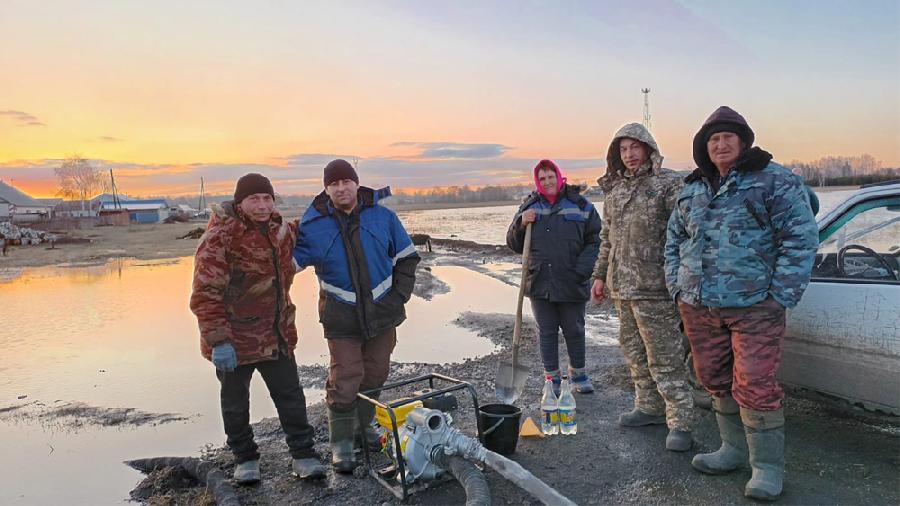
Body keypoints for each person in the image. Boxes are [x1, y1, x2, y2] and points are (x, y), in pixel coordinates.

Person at [665, 106, 818, 501]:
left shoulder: (774, 180)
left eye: (728, 136)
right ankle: (731, 451)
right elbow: (673, 241)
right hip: (699, 306)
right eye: (713, 138)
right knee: (714, 380)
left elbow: (801, 239)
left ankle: (767, 468)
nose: (721, 143)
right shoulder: (693, 188)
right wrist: (677, 288)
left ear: (744, 140)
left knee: (755, 384)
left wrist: (780, 296)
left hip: (755, 307)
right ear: (704, 146)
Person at [190, 173, 325, 484]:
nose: (262, 205)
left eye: (267, 198)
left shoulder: (281, 231)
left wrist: (338, 200)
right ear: (240, 202)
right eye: (254, 199)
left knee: (291, 396)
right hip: (234, 340)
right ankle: (245, 458)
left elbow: (310, 227)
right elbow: (205, 293)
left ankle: (303, 455)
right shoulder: (220, 237)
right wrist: (219, 341)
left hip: (276, 334)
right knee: (235, 403)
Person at [293, 159, 420, 473]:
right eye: (333, 183)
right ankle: (341, 444)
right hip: (341, 317)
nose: (340, 188)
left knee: (376, 373)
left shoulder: (383, 217)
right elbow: (286, 265)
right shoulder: (312, 225)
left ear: (356, 183)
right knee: (346, 376)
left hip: (382, 314)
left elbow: (407, 259)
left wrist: (397, 298)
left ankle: (362, 428)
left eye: (345, 181)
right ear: (326, 188)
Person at [590, 123, 694, 452]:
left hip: (656, 289)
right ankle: (649, 407)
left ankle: (681, 421)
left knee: (664, 356)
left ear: (649, 148)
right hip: (622, 288)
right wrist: (600, 275)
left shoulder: (668, 183)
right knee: (634, 353)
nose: (630, 154)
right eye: (623, 149)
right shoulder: (615, 190)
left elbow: (686, 232)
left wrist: (682, 278)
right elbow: (607, 239)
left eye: (635, 147)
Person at [506, 159, 601, 395]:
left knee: (575, 329)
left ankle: (578, 374)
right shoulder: (530, 207)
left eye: (551, 177)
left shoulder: (581, 206)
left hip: (573, 280)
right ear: (537, 182)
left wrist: (582, 270)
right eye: (542, 178)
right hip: (540, 282)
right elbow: (513, 244)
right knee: (546, 332)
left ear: (559, 177)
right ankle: (552, 379)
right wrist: (520, 223)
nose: (547, 182)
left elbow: (595, 240)